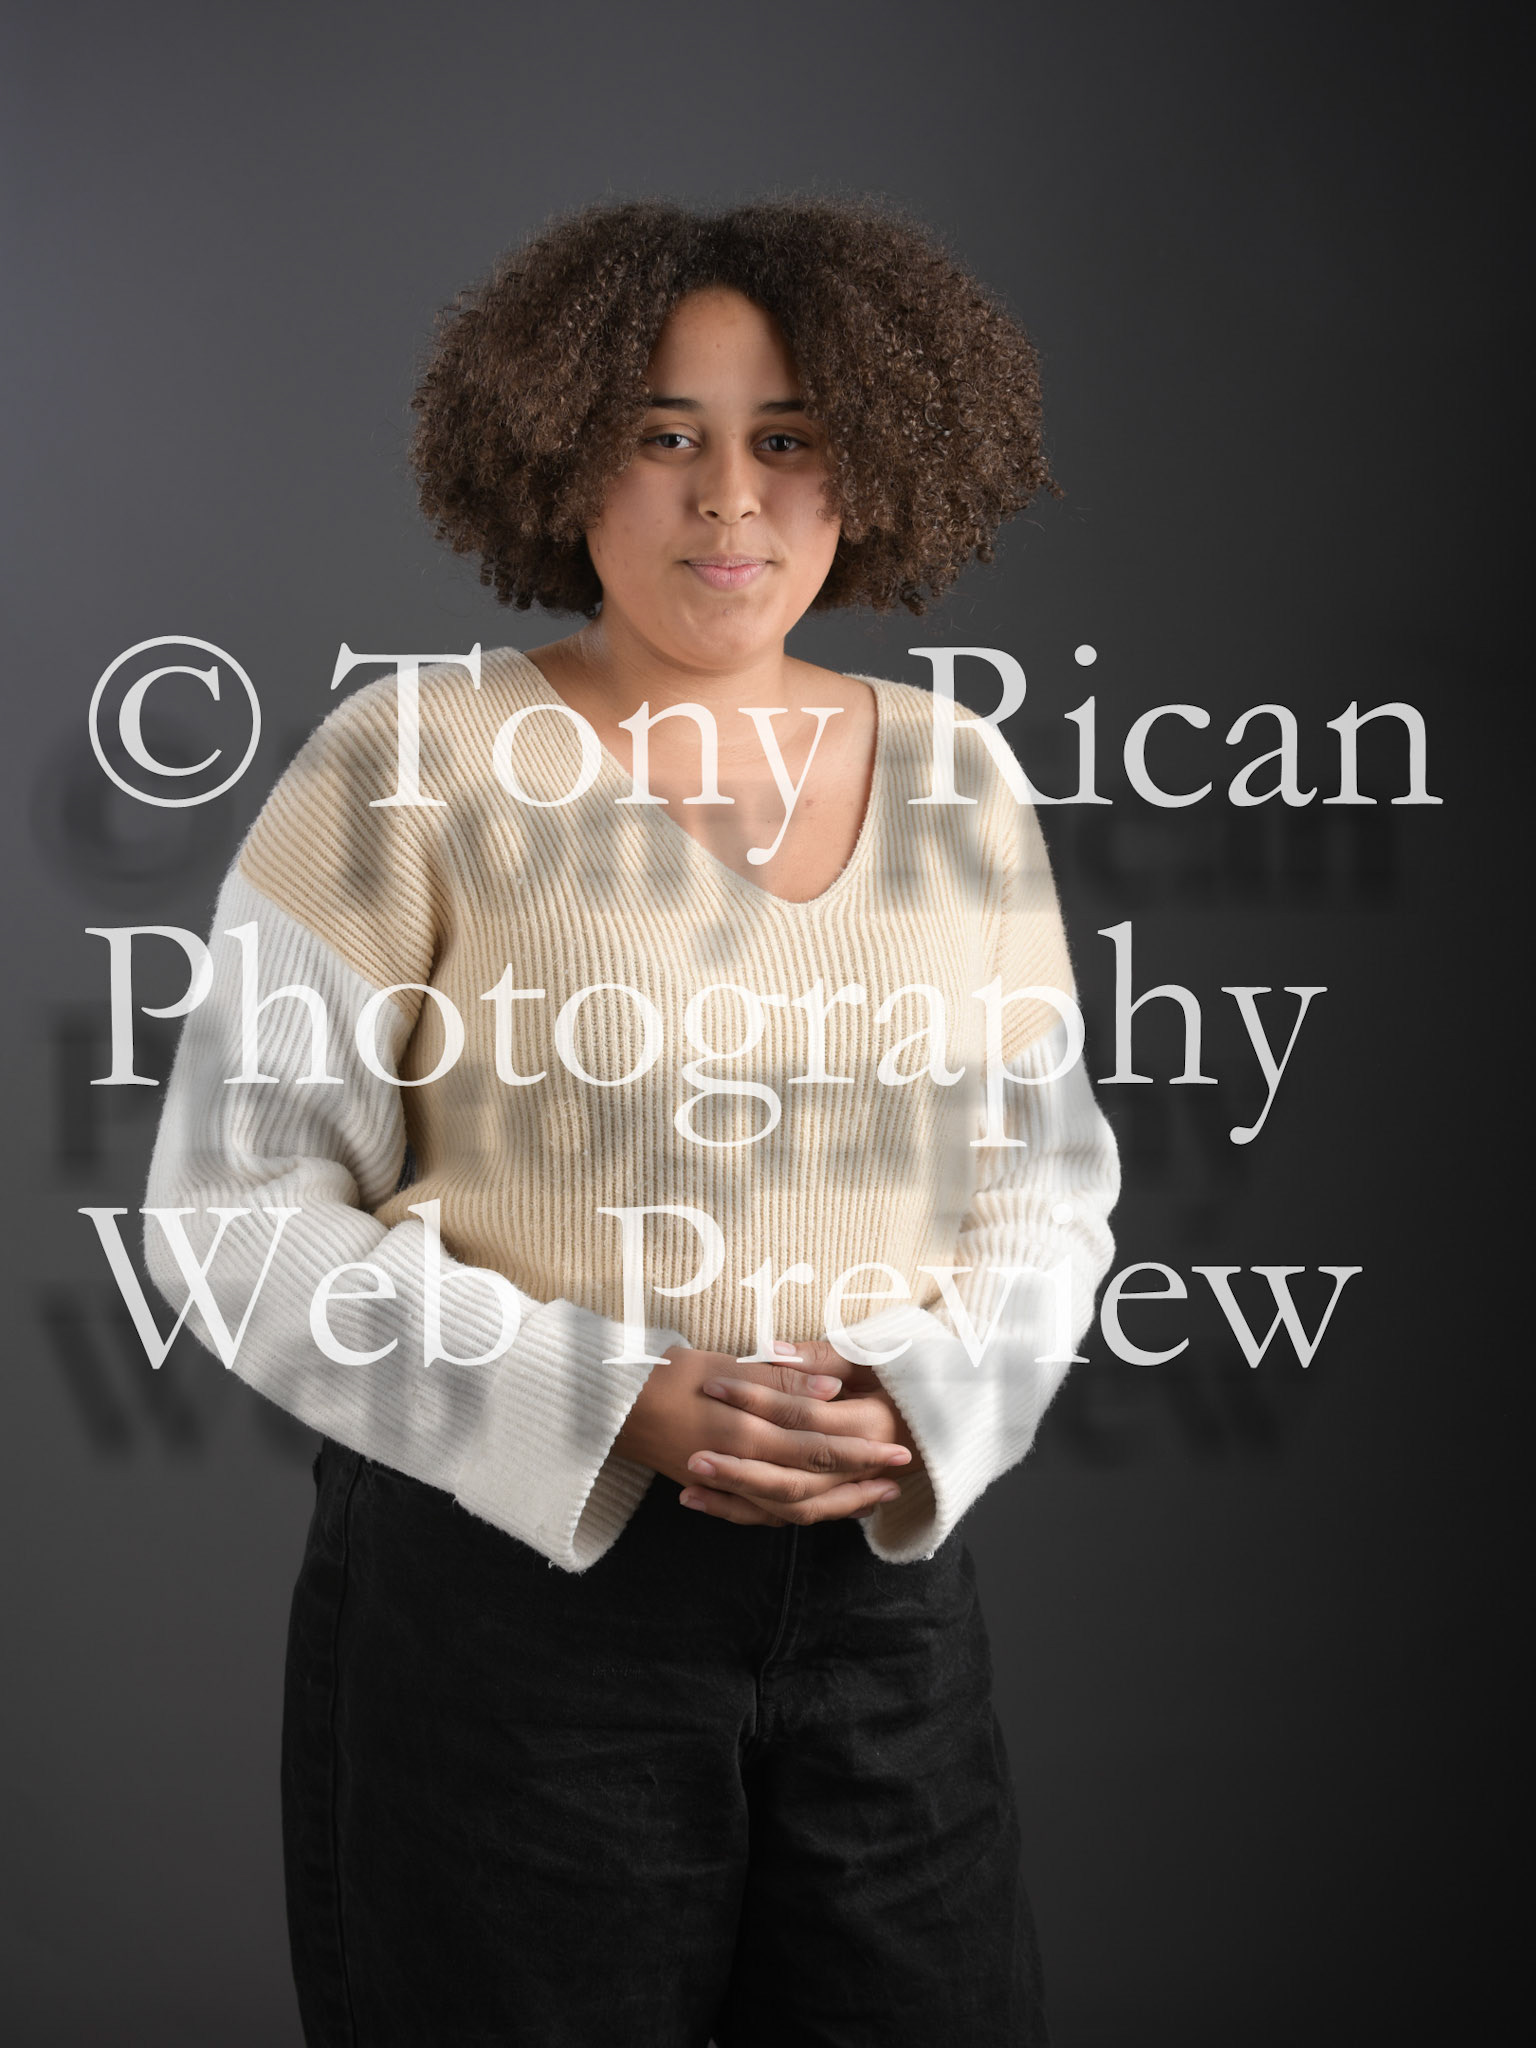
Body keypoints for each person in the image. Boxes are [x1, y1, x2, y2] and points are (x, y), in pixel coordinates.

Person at [143, 196, 1121, 2047]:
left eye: (789, 436)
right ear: (558, 451)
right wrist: (612, 1402)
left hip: (885, 1614)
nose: (729, 498)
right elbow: (235, 1208)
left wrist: (918, 1401)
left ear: (875, 463)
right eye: (666, 433)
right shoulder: (405, 765)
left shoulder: (960, 779)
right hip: (507, 1617)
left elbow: (1046, 1193)